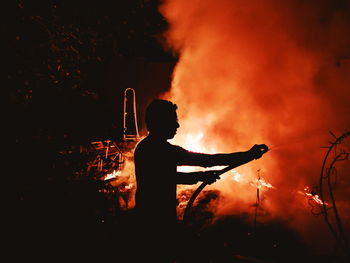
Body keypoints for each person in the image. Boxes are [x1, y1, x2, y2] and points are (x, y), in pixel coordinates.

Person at [133, 99, 268, 262]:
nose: (177, 126)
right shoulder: (162, 150)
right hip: (157, 225)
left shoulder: (145, 148)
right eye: (173, 121)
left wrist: (201, 176)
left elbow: (167, 177)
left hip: (148, 221)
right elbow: (206, 161)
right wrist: (248, 155)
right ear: (161, 122)